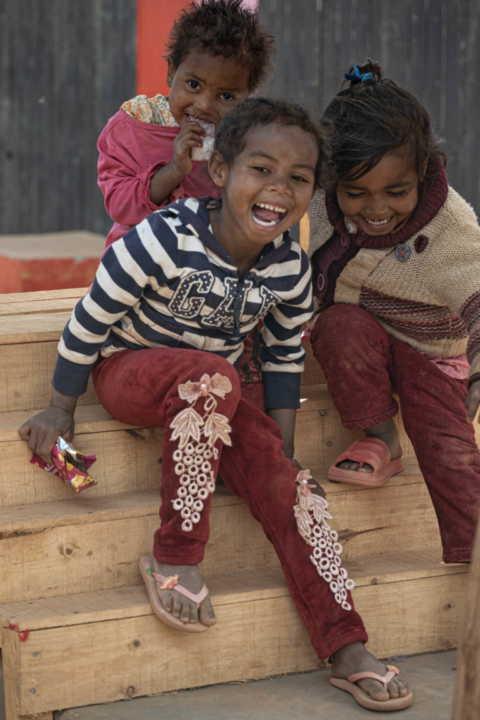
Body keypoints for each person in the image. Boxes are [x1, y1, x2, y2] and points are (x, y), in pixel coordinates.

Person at [19, 98, 411, 712]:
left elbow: (283, 357)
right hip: (130, 371)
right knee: (214, 375)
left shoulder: (288, 269)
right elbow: (89, 319)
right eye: (262, 169)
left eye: (298, 177)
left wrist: (281, 450)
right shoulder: (163, 237)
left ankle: (346, 644)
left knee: (292, 488)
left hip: (215, 395)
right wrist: (59, 410)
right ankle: (175, 555)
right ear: (222, 171)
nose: (278, 187)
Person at [307, 61, 480, 568]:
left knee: (448, 446)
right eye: (355, 192)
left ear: (424, 170)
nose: (375, 208)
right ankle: (381, 439)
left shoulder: (451, 232)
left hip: (430, 355)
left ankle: (472, 555)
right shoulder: (317, 193)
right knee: (338, 325)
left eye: (396, 192)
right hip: (357, 338)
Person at [98, 0, 275, 252]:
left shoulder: (247, 142)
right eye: (193, 85)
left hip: (211, 265)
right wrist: (174, 170)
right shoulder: (135, 127)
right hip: (139, 262)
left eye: (226, 96)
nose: (204, 105)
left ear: (247, 97)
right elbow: (119, 206)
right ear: (171, 72)